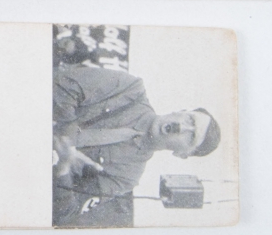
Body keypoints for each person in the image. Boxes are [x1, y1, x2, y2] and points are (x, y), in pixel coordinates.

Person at [52, 64, 221, 226]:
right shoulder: (130, 89)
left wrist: (63, 168)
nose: (181, 127)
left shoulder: (127, 177)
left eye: (191, 136)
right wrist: (68, 138)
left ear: (182, 154)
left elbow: (66, 212)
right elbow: (63, 85)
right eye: (189, 119)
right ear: (181, 111)